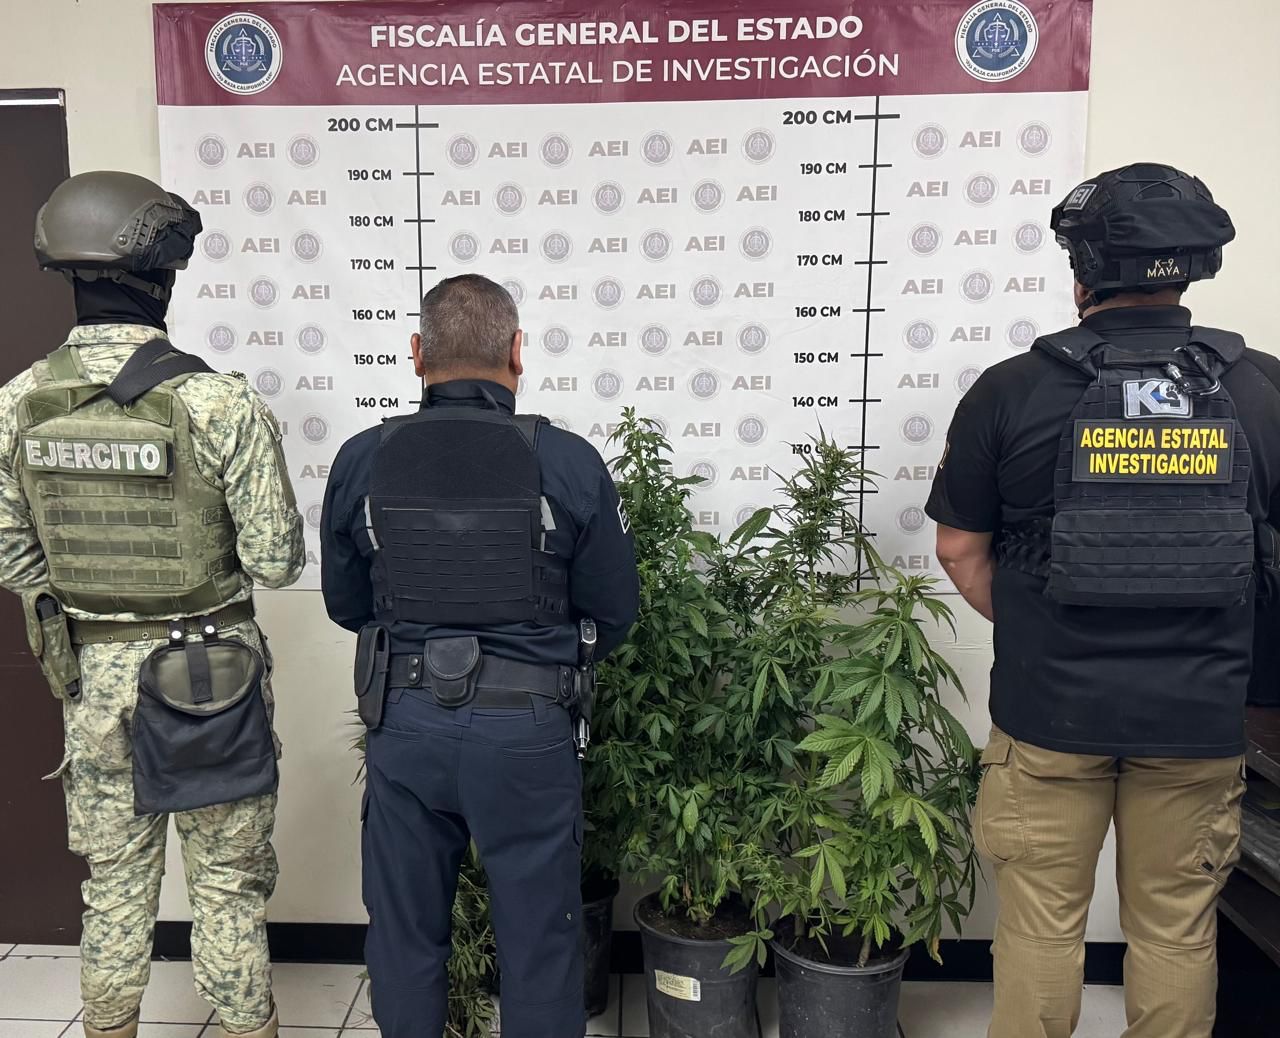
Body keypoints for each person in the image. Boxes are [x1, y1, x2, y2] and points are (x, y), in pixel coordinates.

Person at [927, 163, 1280, 1038]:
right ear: (1194, 267)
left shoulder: (1009, 389)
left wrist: (1042, 627)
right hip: (1199, 721)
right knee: (1176, 931)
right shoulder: (1263, 391)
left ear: (1082, 270)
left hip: (1048, 717)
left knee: (1040, 928)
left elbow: (960, 550)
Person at [0, 171, 305, 1038]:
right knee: (228, 883)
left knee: (114, 883)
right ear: (163, 277)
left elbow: (13, 558)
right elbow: (277, 561)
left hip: (95, 678)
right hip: (212, 677)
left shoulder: (15, 406)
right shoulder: (218, 404)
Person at [321, 273, 639, 1038]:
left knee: (404, 940)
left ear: (417, 353)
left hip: (406, 723)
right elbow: (613, 614)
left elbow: (348, 606)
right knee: (540, 946)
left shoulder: (361, 460)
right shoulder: (568, 462)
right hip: (528, 732)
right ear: (518, 352)